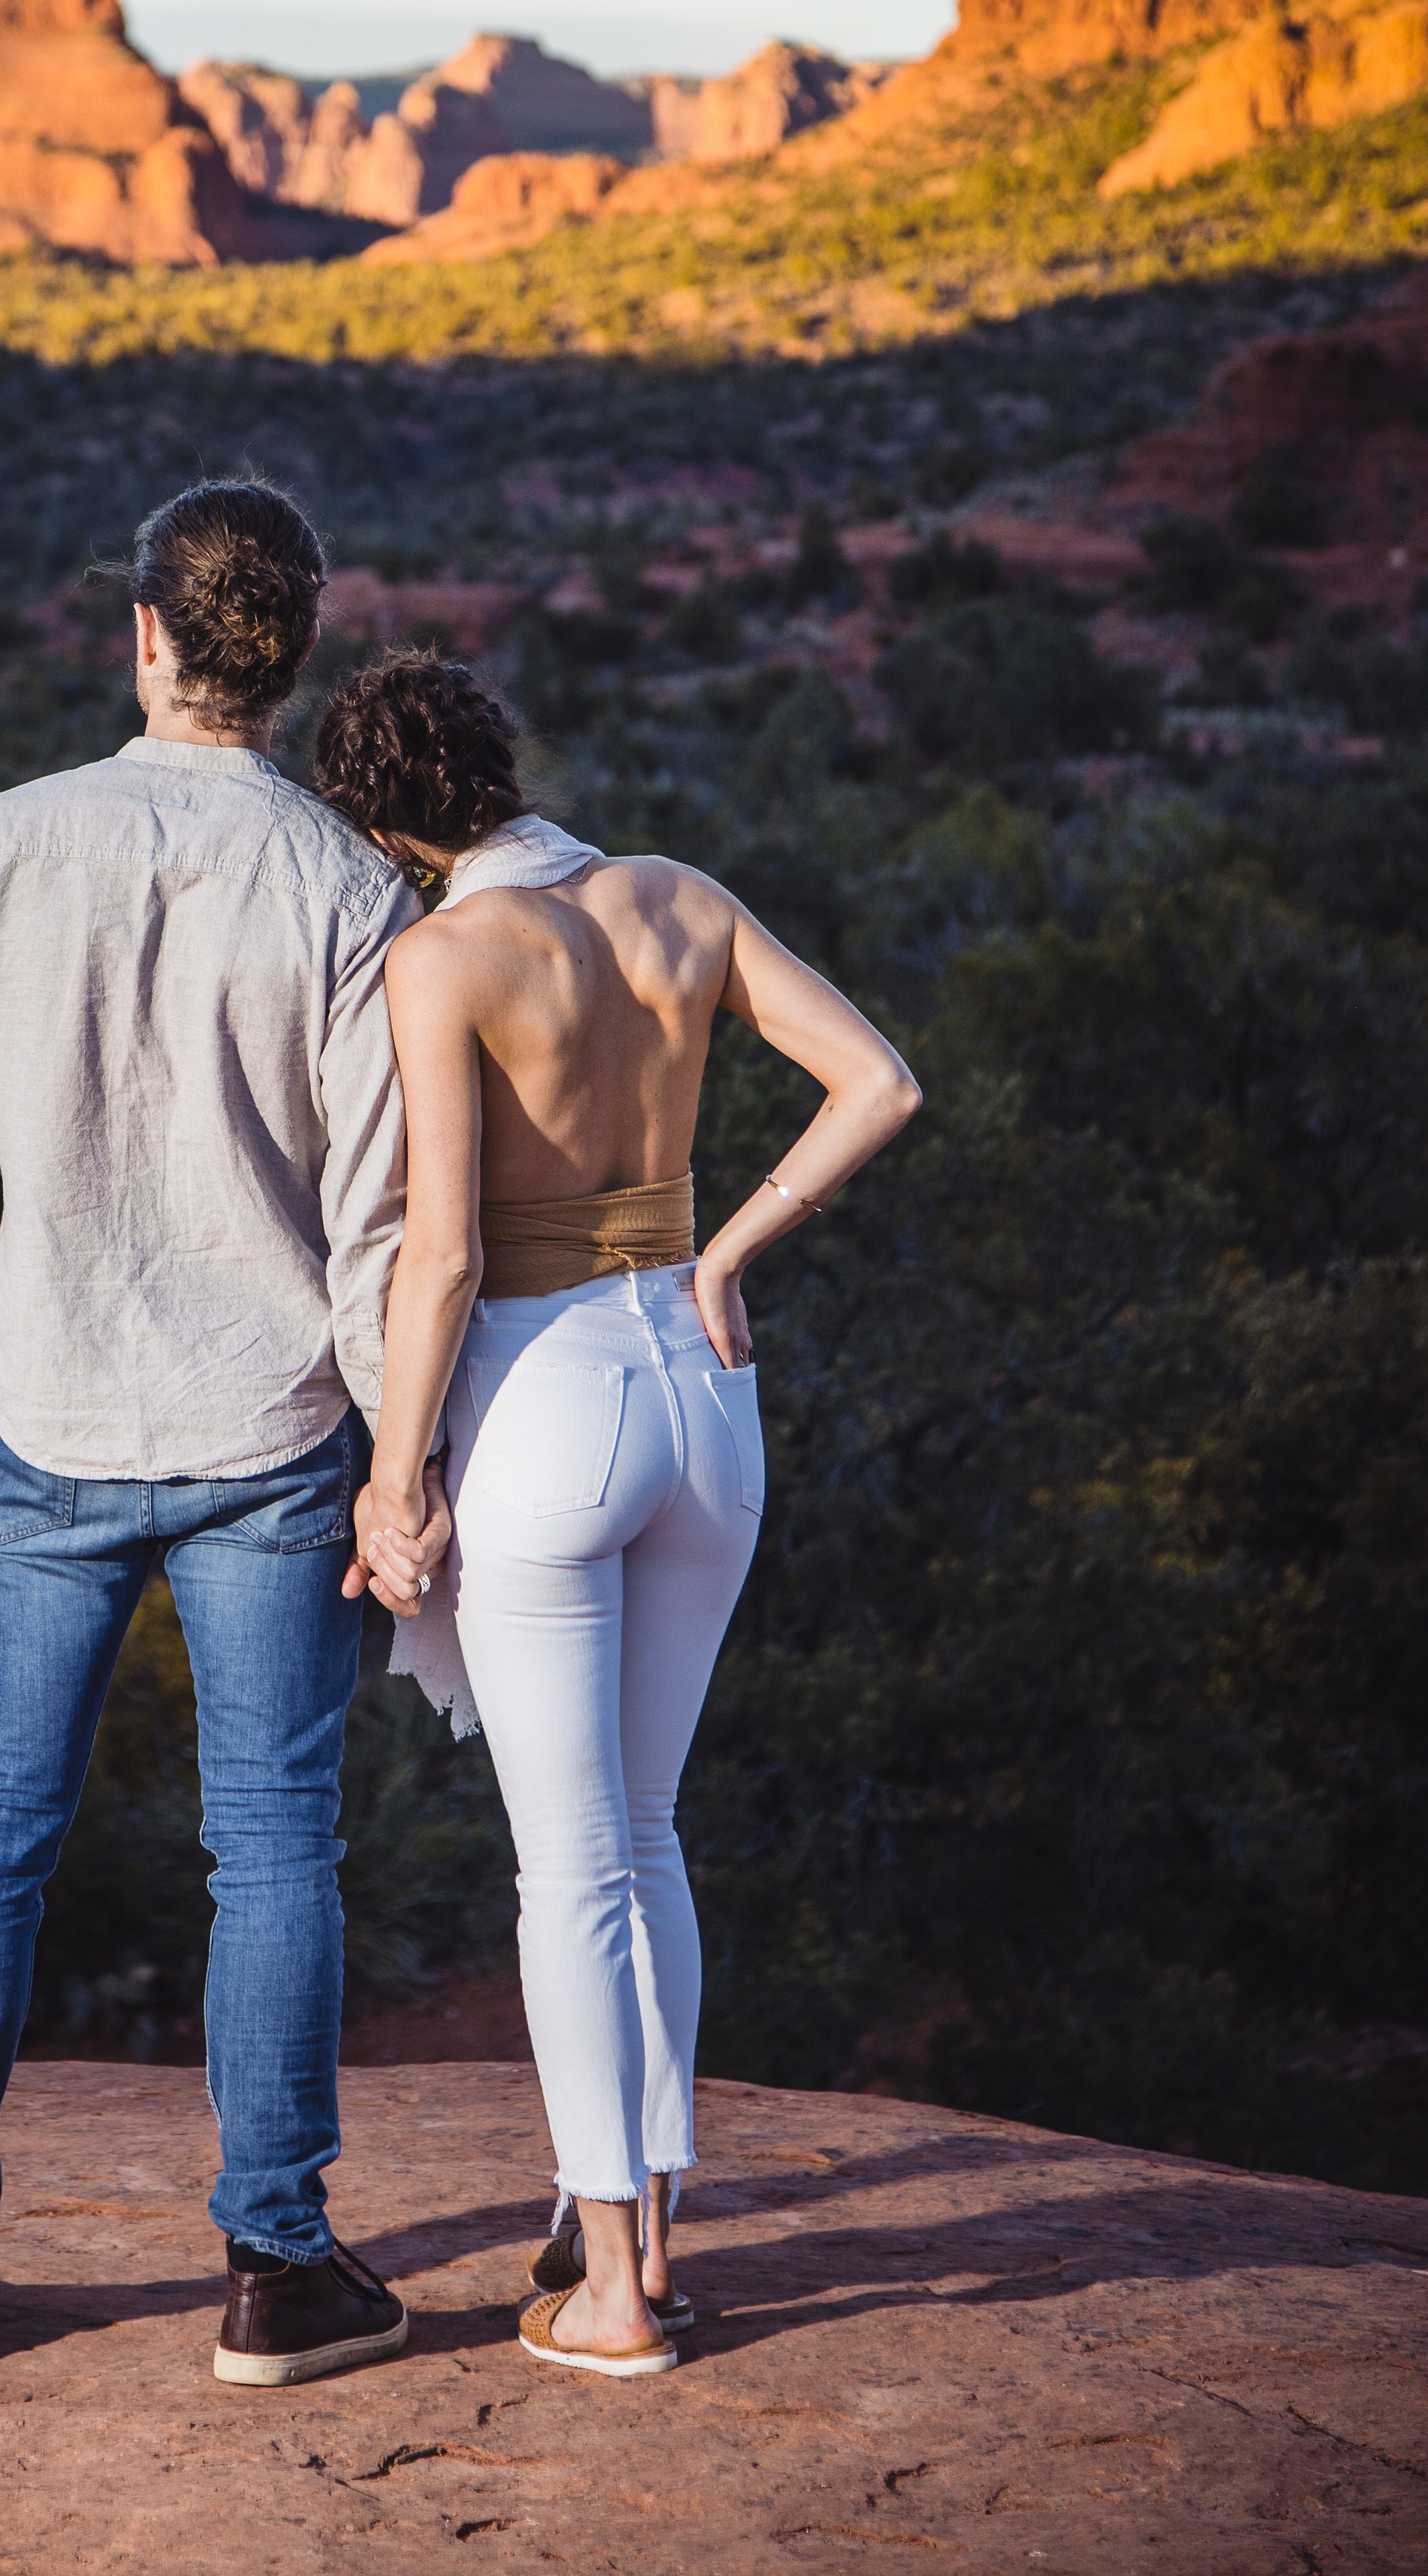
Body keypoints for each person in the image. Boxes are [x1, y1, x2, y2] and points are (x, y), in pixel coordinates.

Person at [0, 483, 415, 2389]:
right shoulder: (352, 885)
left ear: (151, 638)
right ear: (290, 652)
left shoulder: (3, 846)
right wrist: (397, 1459)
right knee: (274, 1853)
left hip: (51, 1417)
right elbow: (381, 1220)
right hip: (274, 1427)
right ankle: (276, 2271)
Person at [312, 651, 921, 2380]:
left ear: (383, 823)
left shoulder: (442, 958)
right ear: (501, 765)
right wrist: (729, 1248)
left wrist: (394, 1473)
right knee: (646, 1838)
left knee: (568, 1866)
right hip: (702, 1395)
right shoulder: (679, 898)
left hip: (545, 1402)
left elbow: (439, 1255)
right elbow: (879, 1082)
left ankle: (617, 2299)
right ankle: (650, 2228)